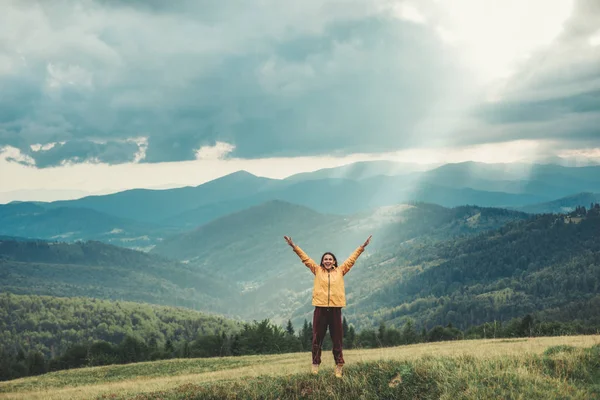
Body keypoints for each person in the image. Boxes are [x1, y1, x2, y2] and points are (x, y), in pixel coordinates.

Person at [283, 234, 372, 378]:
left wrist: (362, 247)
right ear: (322, 261)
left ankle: (339, 366)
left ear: (334, 261)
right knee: (317, 338)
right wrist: (294, 246)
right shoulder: (317, 270)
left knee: (337, 339)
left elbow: (352, 259)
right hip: (320, 309)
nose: (328, 261)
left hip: (336, 309)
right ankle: (315, 364)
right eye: (325, 259)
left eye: (330, 259)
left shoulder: (341, 270)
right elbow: (305, 259)